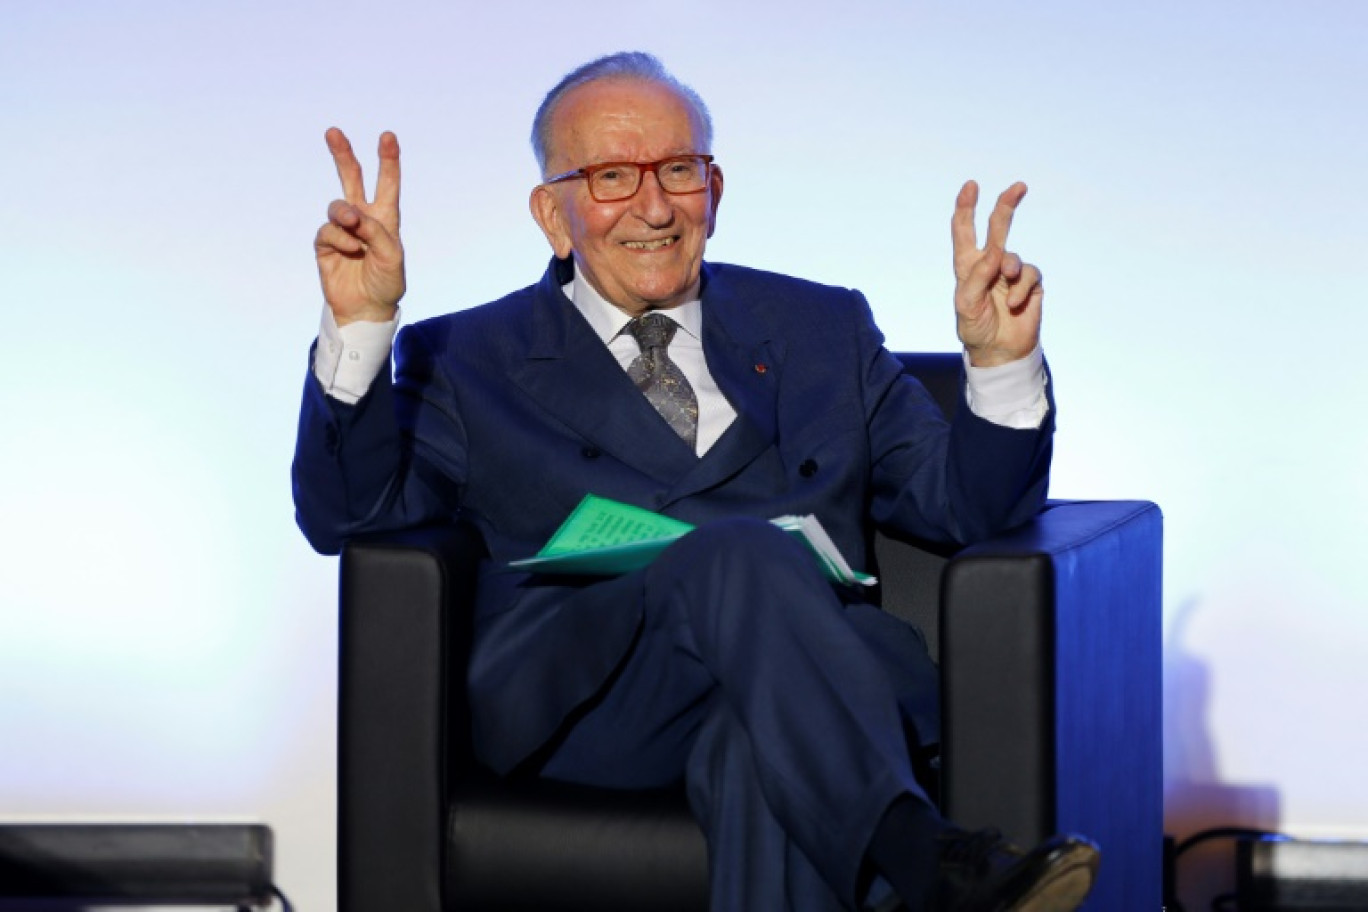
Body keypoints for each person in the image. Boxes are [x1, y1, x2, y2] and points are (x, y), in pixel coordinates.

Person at [293, 51, 1099, 912]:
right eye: (611, 176)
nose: (653, 205)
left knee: (754, 753)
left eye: (679, 169)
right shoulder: (465, 358)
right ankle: (920, 850)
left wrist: (1000, 368)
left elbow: (970, 510)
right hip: (598, 699)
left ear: (714, 191)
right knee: (734, 554)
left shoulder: (823, 327)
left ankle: (918, 854)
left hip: (811, 688)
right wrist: (363, 326)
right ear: (552, 216)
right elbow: (349, 517)